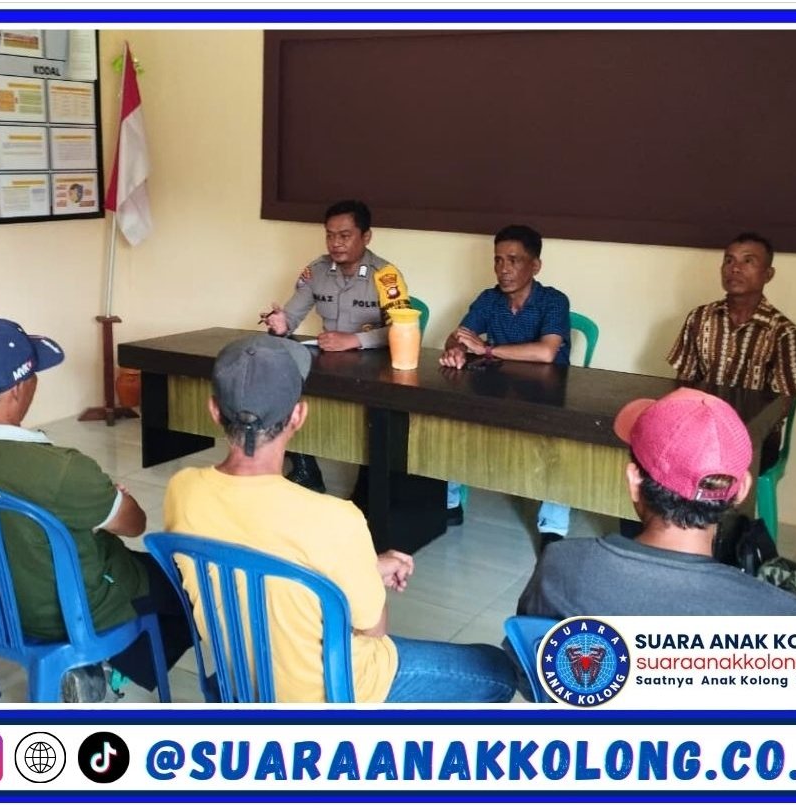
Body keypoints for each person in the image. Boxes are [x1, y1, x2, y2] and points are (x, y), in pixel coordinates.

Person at [163, 334, 517, 703]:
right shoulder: (335, 520)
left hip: (240, 681)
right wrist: (362, 571)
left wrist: (361, 567)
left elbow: (258, 555)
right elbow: (373, 630)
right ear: (299, 415)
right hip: (334, 691)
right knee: (497, 670)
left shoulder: (182, 490)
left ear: (214, 410)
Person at [0, 317, 192, 701]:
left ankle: (91, 667)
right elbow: (134, 524)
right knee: (189, 589)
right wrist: (106, 498)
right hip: (72, 610)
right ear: (18, 388)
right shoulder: (63, 471)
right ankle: (100, 668)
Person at [516, 387, 796, 617]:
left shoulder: (559, 567)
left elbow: (530, 664)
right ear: (741, 490)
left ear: (634, 481)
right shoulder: (785, 615)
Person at [260, 199, 411, 493]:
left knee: (376, 414)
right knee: (280, 381)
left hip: (375, 364)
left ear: (366, 236)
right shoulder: (316, 271)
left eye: (344, 235)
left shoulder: (386, 276)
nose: (336, 243)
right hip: (329, 360)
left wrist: (355, 340)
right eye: (330, 235)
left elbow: (402, 329)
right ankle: (305, 469)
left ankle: (369, 481)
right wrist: (280, 323)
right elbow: (291, 316)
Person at [439, 224, 572, 538]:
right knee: (450, 420)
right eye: (498, 260)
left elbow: (546, 352)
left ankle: (553, 526)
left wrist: (486, 349)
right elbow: (458, 335)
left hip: (547, 394)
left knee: (562, 441)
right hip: (496, 389)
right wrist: (457, 349)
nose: (504, 269)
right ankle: (449, 504)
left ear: (535, 265)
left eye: (514, 260)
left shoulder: (553, 300)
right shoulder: (489, 299)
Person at [667, 231, 796, 471]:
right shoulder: (699, 318)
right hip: (703, 429)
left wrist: (735, 435)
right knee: (658, 446)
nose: (735, 268)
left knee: (713, 466)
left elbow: (781, 405)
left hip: (754, 438)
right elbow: (684, 382)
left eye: (748, 261)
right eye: (729, 260)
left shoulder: (784, 332)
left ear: (768, 274)